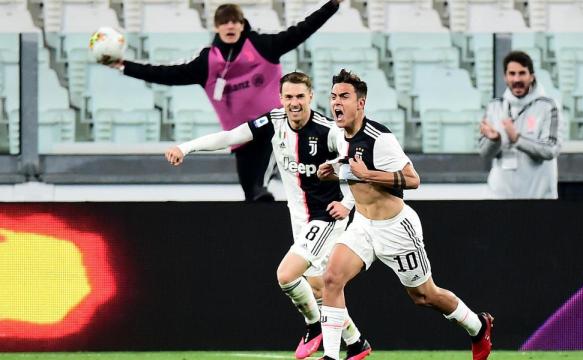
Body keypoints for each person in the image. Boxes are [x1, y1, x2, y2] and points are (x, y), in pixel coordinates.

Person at [164, 72, 371, 360]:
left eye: (300, 96)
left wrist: (348, 202)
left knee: (287, 276)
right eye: (289, 97)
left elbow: (357, 164)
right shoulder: (273, 121)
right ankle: (356, 342)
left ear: (311, 97)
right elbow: (229, 137)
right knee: (318, 287)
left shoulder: (328, 130)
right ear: (281, 98)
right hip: (300, 220)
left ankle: (314, 327)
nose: (294, 102)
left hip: (326, 216)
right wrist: (186, 147)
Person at [316, 69, 493, 360]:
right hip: (362, 224)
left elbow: (413, 179)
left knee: (424, 295)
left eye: (345, 97)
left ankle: (477, 325)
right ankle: (332, 356)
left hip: (396, 228)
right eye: (334, 96)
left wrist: (368, 174)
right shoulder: (337, 134)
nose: (337, 102)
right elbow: (349, 166)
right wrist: (332, 171)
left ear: (361, 103)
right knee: (332, 278)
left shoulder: (380, 138)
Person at [104, 0, 345, 202]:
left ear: (242, 25)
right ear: (216, 27)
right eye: (224, 22)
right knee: (251, 194)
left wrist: (332, 5)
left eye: (234, 21)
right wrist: (123, 66)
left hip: (275, 127)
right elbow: (164, 74)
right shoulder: (207, 62)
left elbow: (302, 30)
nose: (230, 25)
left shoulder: (263, 46)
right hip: (241, 137)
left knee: (261, 188)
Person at [479, 50, 562, 199]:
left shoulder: (548, 106)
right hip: (500, 197)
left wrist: (517, 139)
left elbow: (550, 149)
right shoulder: (495, 107)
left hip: (538, 197)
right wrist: (495, 140)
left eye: (522, 73)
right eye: (512, 74)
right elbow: (485, 153)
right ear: (505, 77)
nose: (517, 79)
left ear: (531, 76)